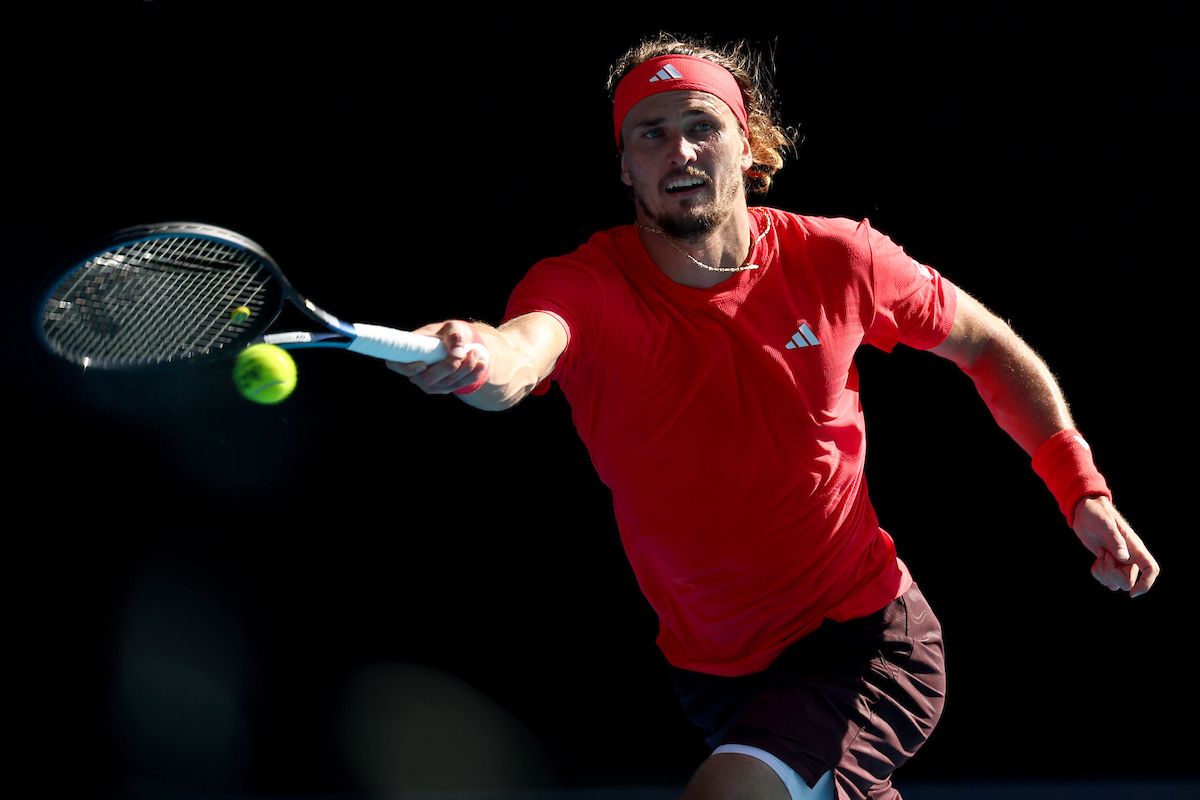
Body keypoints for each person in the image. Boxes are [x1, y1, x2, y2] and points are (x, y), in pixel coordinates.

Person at [386, 33, 1159, 800]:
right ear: (625, 165)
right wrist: (471, 356)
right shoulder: (582, 285)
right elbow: (519, 357)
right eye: (650, 134)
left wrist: (1079, 486)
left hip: (862, 636)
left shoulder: (839, 259)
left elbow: (987, 346)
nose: (679, 152)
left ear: (746, 144)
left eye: (701, 126)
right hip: (710, 672)